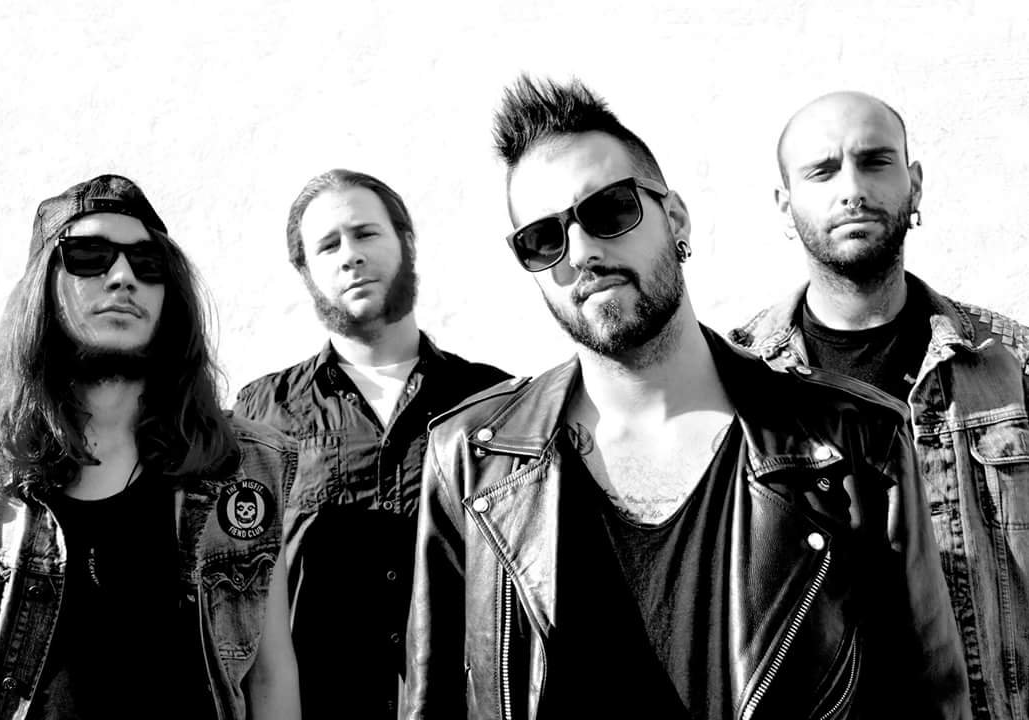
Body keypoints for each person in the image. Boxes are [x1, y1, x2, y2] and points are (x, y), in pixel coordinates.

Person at [403, 77, 969, 719]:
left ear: (675, 218)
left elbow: (925, 700)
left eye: (609, 210)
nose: (581, 252)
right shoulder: (471, 463)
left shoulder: (852, 439)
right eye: (543, 239)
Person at [0, 174, 300, 720]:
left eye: (149, 264)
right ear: (42, 287)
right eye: (89, 256)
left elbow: (270, 675)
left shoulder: (245, 467)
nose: (123, 277)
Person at [730, 90, 1029, 720]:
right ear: (785, 206)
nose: (852, 190)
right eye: (822, 171)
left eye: (874, 162)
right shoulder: (741, 385)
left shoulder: (1011, 362)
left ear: (914, 184)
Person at [234, 169, 508, 719]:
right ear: (306, 271)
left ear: (407, 242)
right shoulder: (262, 413)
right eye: (328, 246)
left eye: (365, 234)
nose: (350, 256)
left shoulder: (495, 402)